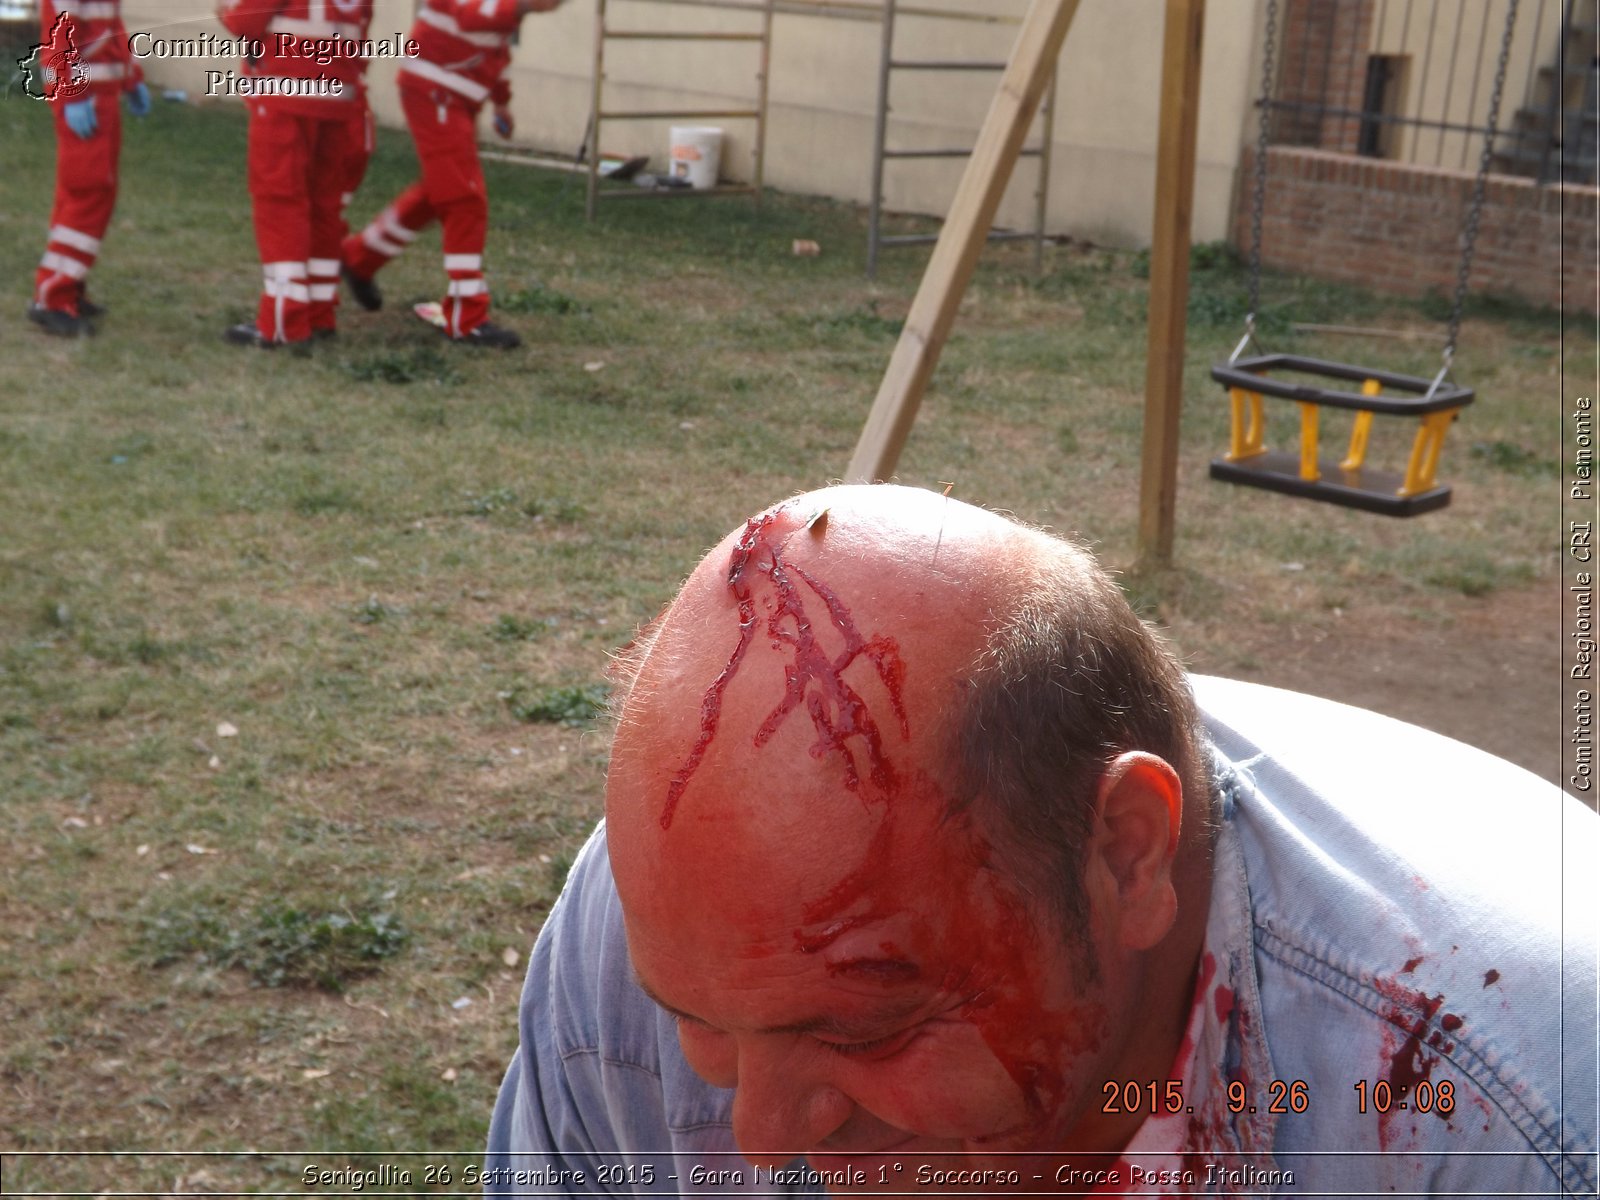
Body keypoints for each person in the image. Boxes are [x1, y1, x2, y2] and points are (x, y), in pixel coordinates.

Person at [484, 484, 1597, 1197]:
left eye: (868, 1028)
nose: (764, 1135)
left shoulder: (1511, 1120)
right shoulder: (671, 928)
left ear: (1125, 852)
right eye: (698, 1025)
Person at [338, 0, 563, 350]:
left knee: (440, 191)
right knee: (465, 198)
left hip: (450, 90)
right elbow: (469, 14)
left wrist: (501, 99)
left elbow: (495, 42)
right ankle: (466, 317)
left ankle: (360, 257)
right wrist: (522, 7)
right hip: (435, 88)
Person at [217, 0, 373, 350]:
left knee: (279, 203)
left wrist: (225, 11)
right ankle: (319, 313)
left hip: (286, 95)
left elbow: (246, 21)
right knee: (323, 208)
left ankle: (283, 320)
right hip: (337, 99)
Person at [27, 0, 150, 338]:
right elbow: (60, 36)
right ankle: (54, 296)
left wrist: (131, 77)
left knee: (89, 194)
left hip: (98, 98)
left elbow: (110, 29)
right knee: (87, 194)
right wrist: (73, 96)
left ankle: (68, 286)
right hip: (85, 100)